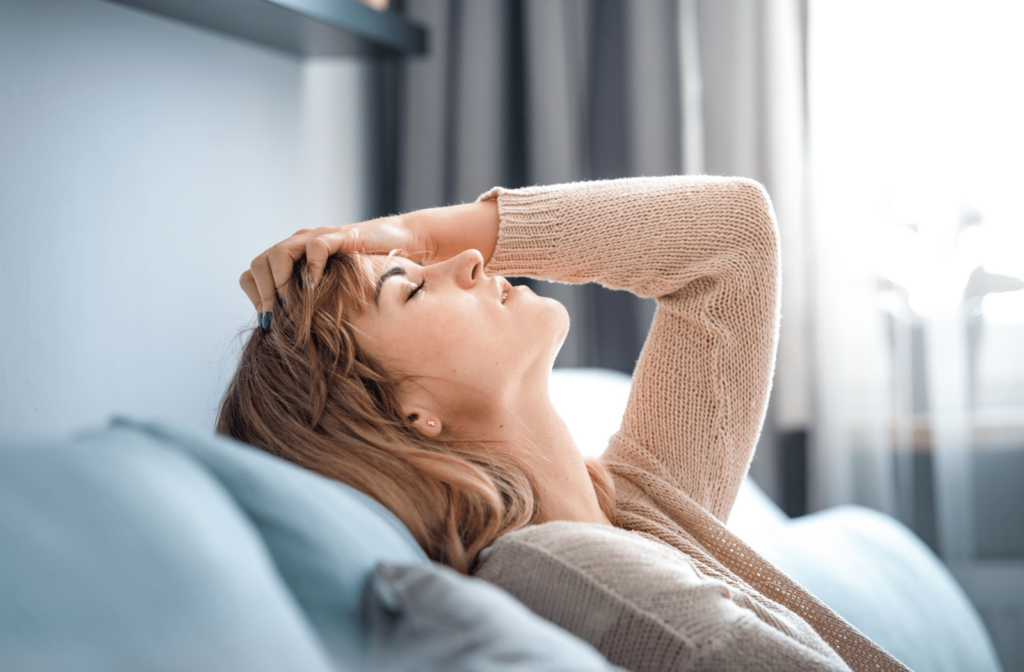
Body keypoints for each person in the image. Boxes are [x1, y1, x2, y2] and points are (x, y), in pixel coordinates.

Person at [220, 176, 907, 672]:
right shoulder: (551, 569)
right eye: (412, 286)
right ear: (408, 414)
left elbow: (733, 234)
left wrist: (419, 232)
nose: (469, 259)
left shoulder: (640, 507)